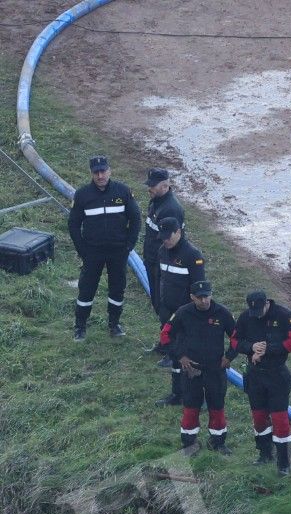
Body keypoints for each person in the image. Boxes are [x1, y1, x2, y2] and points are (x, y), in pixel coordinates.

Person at [157, 280, 235, 455]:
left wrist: (229, 356)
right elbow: (165, 335)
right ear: (192, 297)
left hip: (215, 370)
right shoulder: (182, 313)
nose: (204, 300)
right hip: (192, 370)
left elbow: (237, 337)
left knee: (217, 406)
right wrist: (180, 356)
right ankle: (188, 444)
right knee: (191, 408)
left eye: (206, 296)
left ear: (211, 294)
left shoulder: (223, 313)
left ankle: (218, 443)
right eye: (199, 297)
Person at [68, 155, 140, 340]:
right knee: (87, 288)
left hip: (118, 251)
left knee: (117, 288)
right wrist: (82, 250)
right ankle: (80, 326)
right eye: (96, 172)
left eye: (103, 171)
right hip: (92, 252)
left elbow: (136, 219)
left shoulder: (123, 191)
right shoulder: (82, 195)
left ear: (109, 170)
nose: (100, 176)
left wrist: (129, 245)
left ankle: (114, 324)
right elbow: (73, 224)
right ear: (91, 173)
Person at [229, 290, 291, 475]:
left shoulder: (284, 315)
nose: (257, 315)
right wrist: (251, 347)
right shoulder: (246, 317)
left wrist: (267, 349)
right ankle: (264, 453)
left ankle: (284, 462)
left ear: (267, 303)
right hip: (255, 376)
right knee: (259, 417)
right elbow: (235, 341)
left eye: (260, 311)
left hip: (277, 375)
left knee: (280, 419)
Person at [152, 216, 201, 407]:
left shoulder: (192, 255)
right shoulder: (162, 251)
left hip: (185, 315)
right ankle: (177, 393)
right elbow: (159, 279)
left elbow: (198, 288)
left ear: (178, 232)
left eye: (168, 236)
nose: (165, 240)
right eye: (162, 237)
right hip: (167, 311)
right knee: (174, 353)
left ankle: (196, 395)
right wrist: (159, 305)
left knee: (188, 354)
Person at [142, 167, 184, 322]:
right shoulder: (156, 201)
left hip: (162, 265)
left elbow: (173, 242)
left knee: (164, 306)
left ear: (165, 186)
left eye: (153, 185)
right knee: (157, 302)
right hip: (152, 260)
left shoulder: (171, 209)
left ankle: (169, 335)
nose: (149, 188)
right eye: (149, 184)